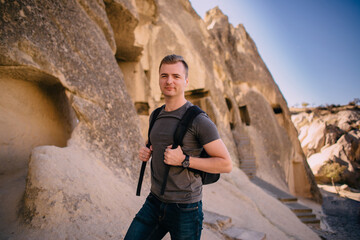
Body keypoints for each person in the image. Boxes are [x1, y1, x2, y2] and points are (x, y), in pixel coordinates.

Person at [124, 54, 232, 240]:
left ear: (186, 81)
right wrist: (146, 151)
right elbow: (155, 143)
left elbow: (225, 164)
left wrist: (185, 160)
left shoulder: (199, 120)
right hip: (154, 201)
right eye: (164, 75)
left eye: (176, 76)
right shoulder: (156, 115)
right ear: (158, 79)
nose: (169, 81)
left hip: (186, 208)